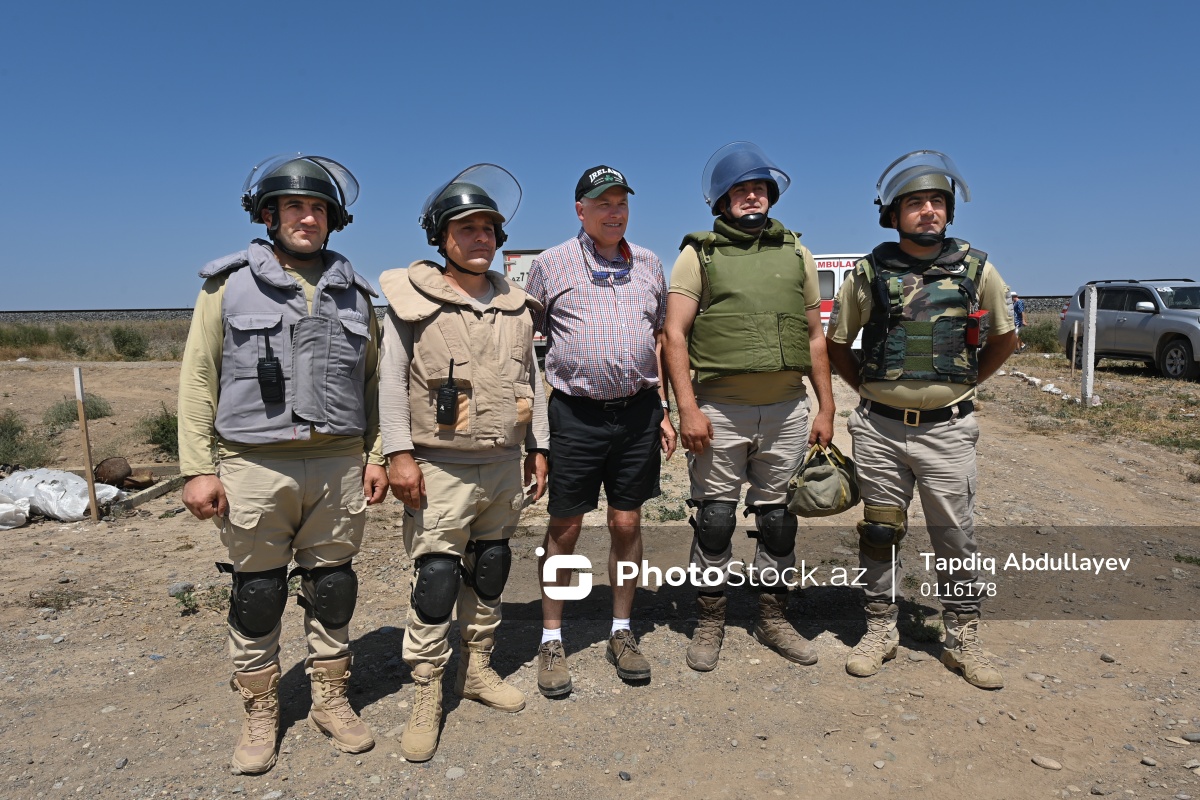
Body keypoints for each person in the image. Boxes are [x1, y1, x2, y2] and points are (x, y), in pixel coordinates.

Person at [178, 154, 387, 774]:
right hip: (253, 465)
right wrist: (197, 468)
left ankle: (330, 700)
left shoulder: (356, 294)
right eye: (294, 206)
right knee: (258, 592)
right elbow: (198, 377)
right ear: (268, 215)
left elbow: (374, 385)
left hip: (337, 463)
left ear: (333, 220)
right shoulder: (227, 286)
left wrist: (375, 455)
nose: (307, 218)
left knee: (334, 588)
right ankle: (260, 709)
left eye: (318, 208)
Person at [825, 150, 1015, 689]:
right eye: (916, 203)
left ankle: (963, 637)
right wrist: (867, 389)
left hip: (947, 432)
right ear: (893, 215)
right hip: (880, 430)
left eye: (937, 202)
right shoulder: (868, 272)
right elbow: (838, 343)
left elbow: (1004, 339)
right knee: (879, 531)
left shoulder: (978, 269)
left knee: (954, 535)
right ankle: (880, 629)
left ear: (949, 211)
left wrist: (964, 385)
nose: (928, 211)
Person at [378, 164, 548, 761]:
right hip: (438, 465)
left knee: (491, 566)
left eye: (489, 230)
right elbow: (391, 381)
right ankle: (427, 688)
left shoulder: (516, 305)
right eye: (467, 228)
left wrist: (539, 447)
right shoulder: (411, 301)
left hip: (502, 462)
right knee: (436, 578)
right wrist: (398, 453)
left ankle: (476, 670)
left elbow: (533, 381)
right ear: (441, 236)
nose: (481, 238)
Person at [662, 142, 835, 672]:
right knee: (715, 520)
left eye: (759, 188)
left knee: (779, 521)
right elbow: (674, 334)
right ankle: (710, 619)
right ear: (722, 201)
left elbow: (814, 337)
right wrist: (687, 409)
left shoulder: (797, 254)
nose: (752, 196)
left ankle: (772, 618)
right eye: (741, 190)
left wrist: (827, 408)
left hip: (787, 411)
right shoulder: (699, 255)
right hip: (720, 410)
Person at [524, 165, 676, 697]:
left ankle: (621, 630)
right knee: (565, 525)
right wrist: (532, 433)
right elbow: (524, 342)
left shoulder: (650, 264)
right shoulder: (549, 264)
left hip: (637, 413)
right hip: (576, 414)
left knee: (626, 521)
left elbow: (660, 338)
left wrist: (663, 408)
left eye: (621, 203)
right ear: (580, 210)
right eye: (603, 203)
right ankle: (551, 638)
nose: (614, 212)